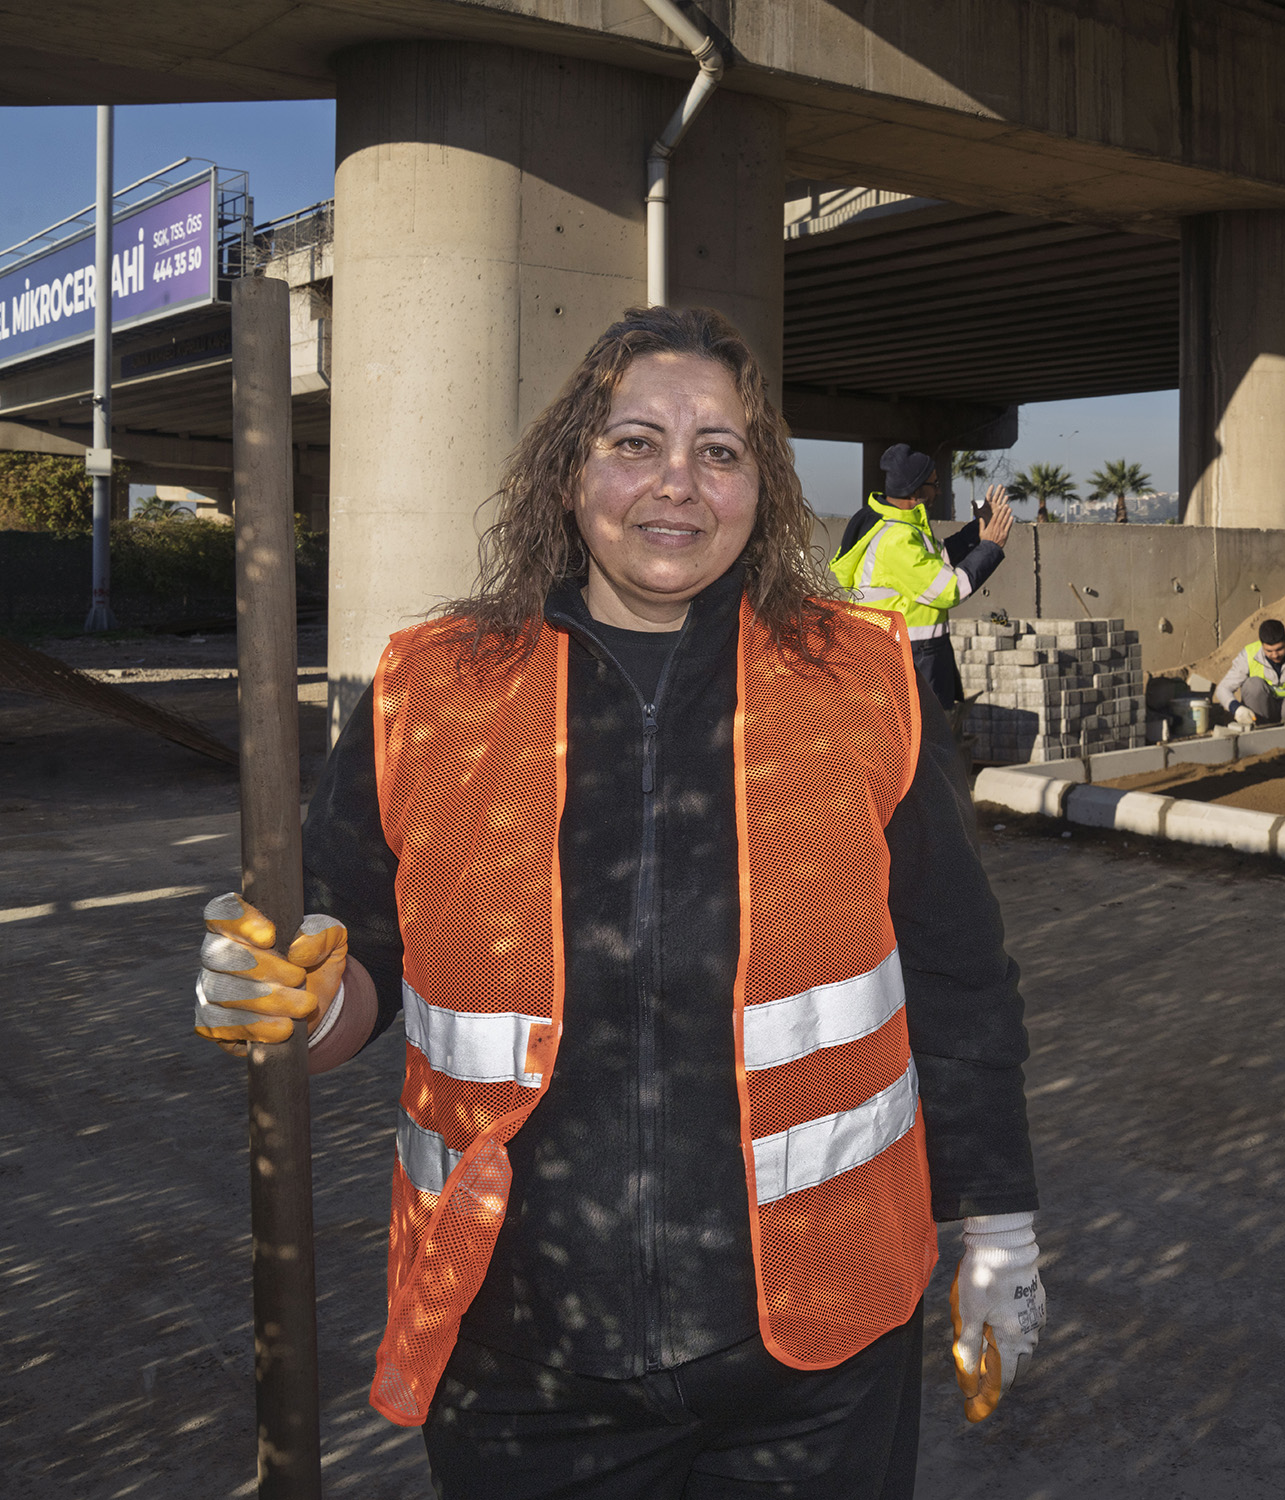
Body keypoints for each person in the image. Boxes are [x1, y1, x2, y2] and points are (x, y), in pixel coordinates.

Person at [189, 306, 1043, 1499]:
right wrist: (295, 1001)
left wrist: (997, 1219)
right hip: (523, 1356)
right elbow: (353, 954)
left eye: (721, 450)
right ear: (567, 470)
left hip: (819, 1346)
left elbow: (957, 977)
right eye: (635, 441)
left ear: (764, 486)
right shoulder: (430, 689)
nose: (677, 484)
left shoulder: (861, 679)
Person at [832, 443, 1014, 706]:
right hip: (904, 659)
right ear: (916, 490)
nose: (939, 490)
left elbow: (941, 560)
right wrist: (990, 546)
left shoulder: (903, 527)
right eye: (935, 483)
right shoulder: (897, 539)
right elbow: (951, 589)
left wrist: (979, 528)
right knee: (922, 743)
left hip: (912, 655)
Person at [1215, 618, 1285, 727]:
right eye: (1269, 651)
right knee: (1252, 685)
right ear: (1261, 644)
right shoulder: (1248, 654)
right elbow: (1223, 688)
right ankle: (1261, 730)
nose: (1275, 655)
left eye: (1279, 649)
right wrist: (1236, 708)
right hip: (1263, 709)